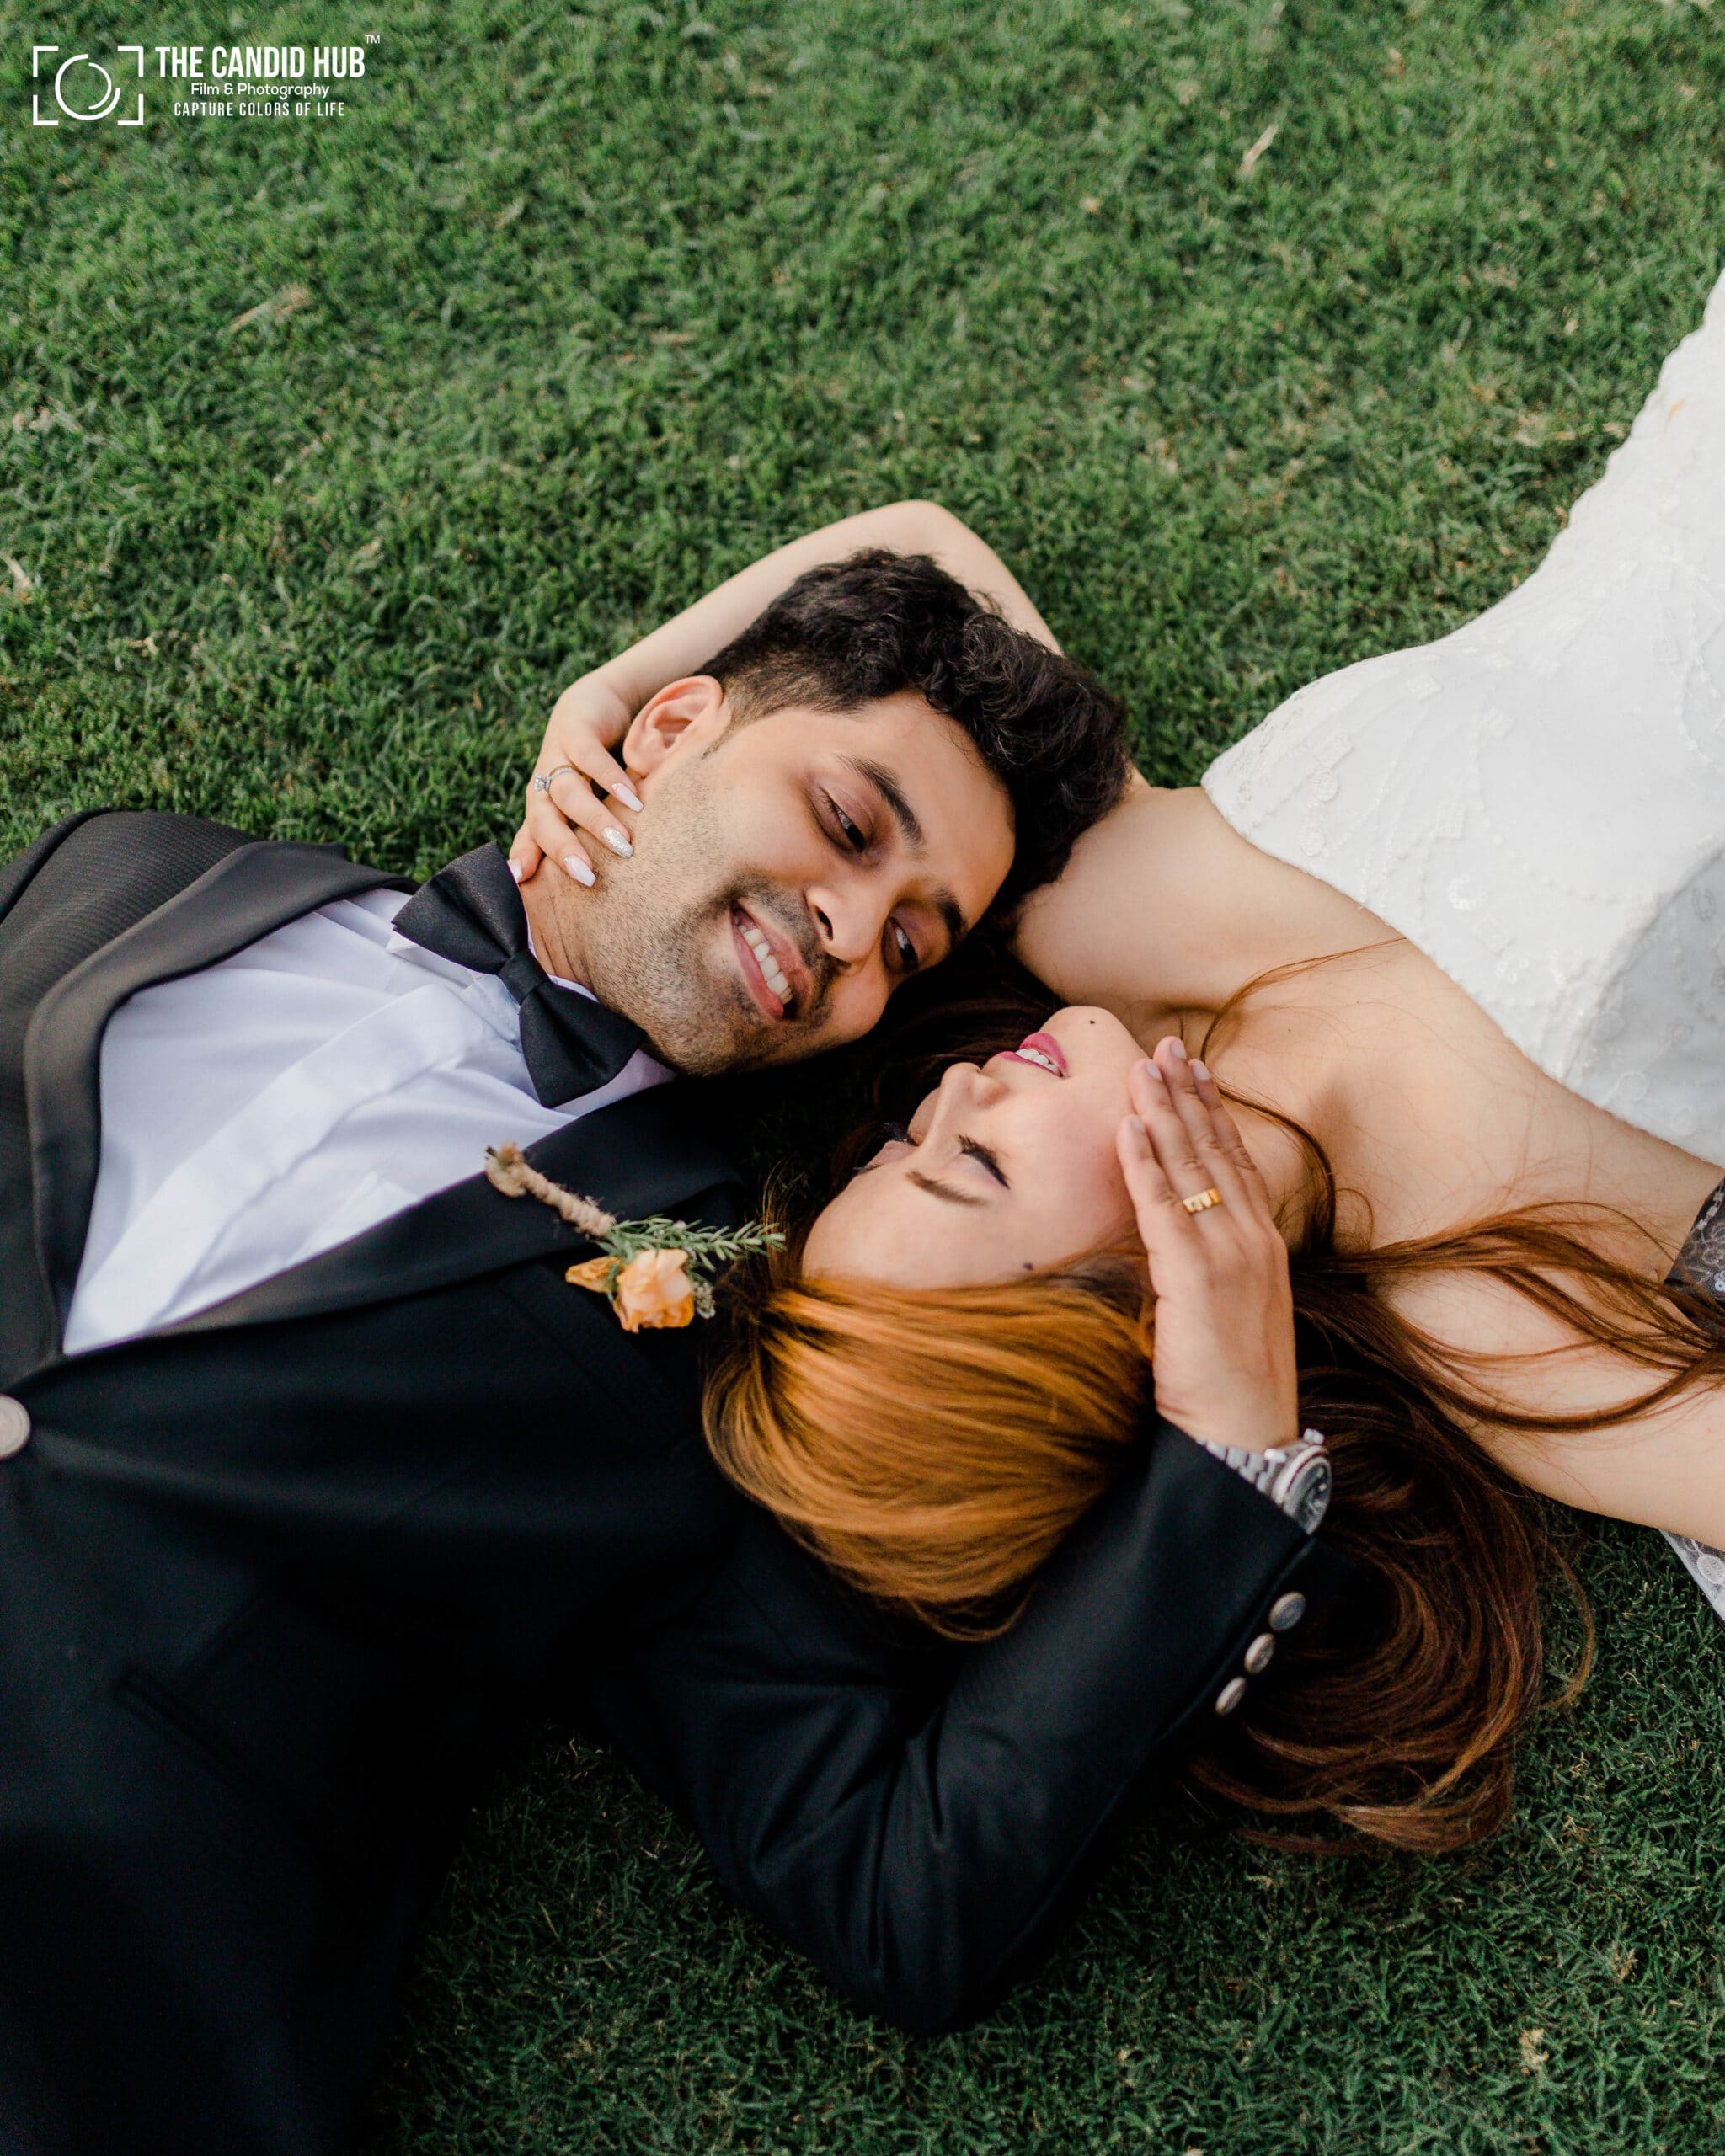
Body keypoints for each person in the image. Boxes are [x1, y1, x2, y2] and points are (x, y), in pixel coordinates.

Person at [0, 551, 1344, 2156]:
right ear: (673, 728)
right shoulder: (121, 871)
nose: (853, 931)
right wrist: (613, 681)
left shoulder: (695, 1354)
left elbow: (903, 1891)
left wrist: (1229, 1448)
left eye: (912, 949)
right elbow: (926, 537)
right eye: (847, 824)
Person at [515, 268, 1725, 1866]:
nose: (948, 1087)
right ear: (1135, 1303)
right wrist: (1226, 1410)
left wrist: (613, 705)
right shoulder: (1499, 1319)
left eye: (900, 1142)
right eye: (971, 1163)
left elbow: (930, 558)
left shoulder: (1101, 910)